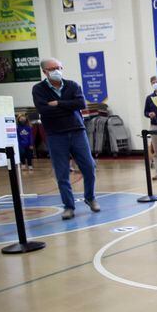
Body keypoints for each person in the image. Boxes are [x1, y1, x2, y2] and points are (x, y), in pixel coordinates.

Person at [32, 58, 99, 220]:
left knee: (89, 167)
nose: (57, 70)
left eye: (59, 67)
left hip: (77, 131)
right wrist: (68, 106)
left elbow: (81, 103)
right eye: (52, 68)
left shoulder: (72, 85)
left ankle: (90, 197)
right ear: (45, 71)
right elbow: (44, 110)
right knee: (62, 173)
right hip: (55, 135)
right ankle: (69, 206)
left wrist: (58, 103)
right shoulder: (38, 89)